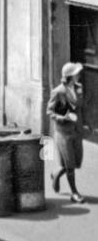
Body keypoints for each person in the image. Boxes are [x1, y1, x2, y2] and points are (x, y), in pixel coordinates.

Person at [49, 61, 89, 203]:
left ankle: (56, 174)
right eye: (76, 74)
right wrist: (62, 117)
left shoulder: (79, 88)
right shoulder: (59, 91)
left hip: (76, 130)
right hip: (63, 133)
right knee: (70, 164)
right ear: (69, 76)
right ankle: (74, 193)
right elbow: (50, 111)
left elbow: (80, 106)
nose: (78, 76)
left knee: (76, 162)